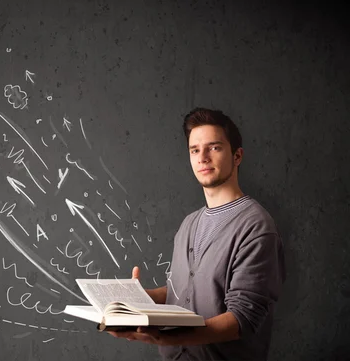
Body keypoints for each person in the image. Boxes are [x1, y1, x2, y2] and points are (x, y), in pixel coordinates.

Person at [109, 108, 286, 360]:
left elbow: (242, 318)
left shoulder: (256, 227)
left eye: (214, 148)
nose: (202, 157)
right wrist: (138, 298)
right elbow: (181, 292)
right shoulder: (188, 224)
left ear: (237, 156)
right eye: (194, 150)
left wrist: (168, 336)